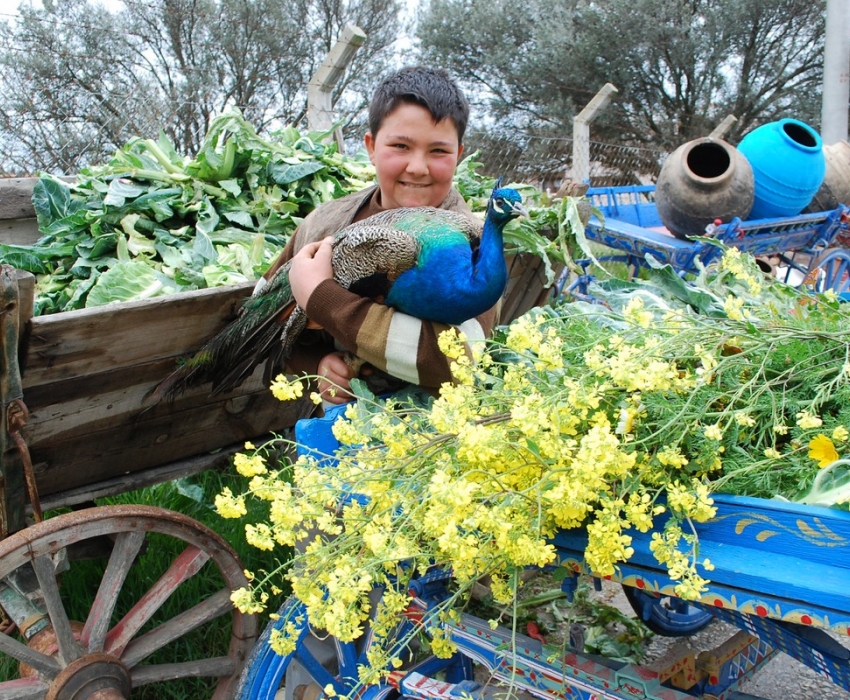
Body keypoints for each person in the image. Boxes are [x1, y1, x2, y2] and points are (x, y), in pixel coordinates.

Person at [260, 66, 499, 405]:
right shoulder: (325, 223)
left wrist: (323, 298)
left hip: (427, 438)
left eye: (438, 151)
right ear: (371, 147)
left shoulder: (475, 243)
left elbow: (457, 359)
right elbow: (265, 311)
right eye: (400, 146)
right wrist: (317, 366)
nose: (417, 167)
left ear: (459, 155)